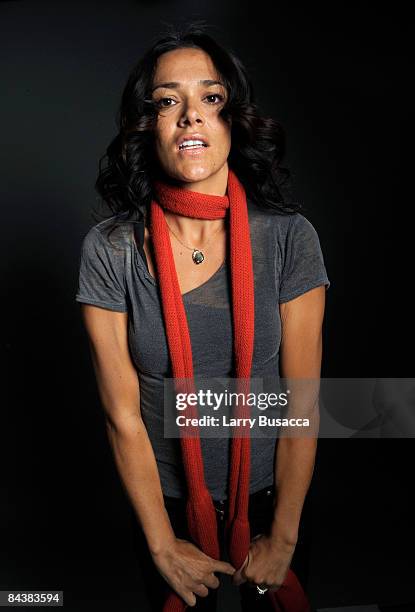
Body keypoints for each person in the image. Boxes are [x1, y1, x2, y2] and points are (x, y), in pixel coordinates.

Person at [75, 22, 330, 612]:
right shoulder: (110, 250)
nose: (190, 116)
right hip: (166, 509)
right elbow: (122, 417)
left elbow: (304, 403)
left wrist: (283, 535)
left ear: (232, 120)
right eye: (168, 102)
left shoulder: (291, 240)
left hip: (275, 502)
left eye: (210, 99)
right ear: (149, 127)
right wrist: (163, 547)